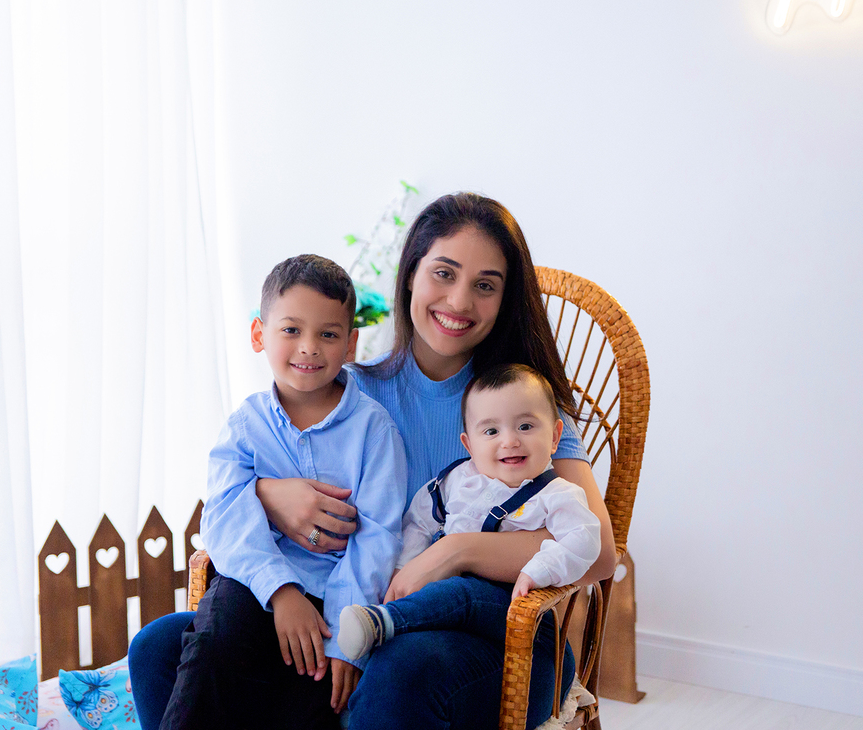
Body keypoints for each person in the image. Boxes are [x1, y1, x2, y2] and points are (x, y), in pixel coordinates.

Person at [128, 193, 617, 730]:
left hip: (504, 638)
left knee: (400, 670)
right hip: (364, 618)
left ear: (505, 299)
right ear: (410, 276)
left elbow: (597, 555)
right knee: (158, 648)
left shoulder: (523, 407)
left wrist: (454, 552)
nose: (458, 301)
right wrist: (268, 494)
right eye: (443, 273)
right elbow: (247, 471)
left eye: (485, 285)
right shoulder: (350, 396)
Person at [159, 255, 407, 730]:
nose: (309, 348)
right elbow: (224, 515)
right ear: (259, 334)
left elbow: (377, 538)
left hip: (334, 607)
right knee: (211, 649)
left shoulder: (374, 429)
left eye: (328, 334)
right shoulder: (246, 426)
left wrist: (344, 641)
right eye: (291, 330)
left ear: (351, 343)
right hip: (253, 587)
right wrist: (281, 591)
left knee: (312, 703)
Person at [336, 363, 600, 661]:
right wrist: (405, 567)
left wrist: (538, 570)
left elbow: (584, 539)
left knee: (460, 594)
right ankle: (392, 627)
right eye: (491, 431)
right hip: (447, 606)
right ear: (469, 444)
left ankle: (385, 621)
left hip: (507, 607)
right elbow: (420, 520)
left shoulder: (557, 494)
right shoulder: (457, 480)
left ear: (554, 437)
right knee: (440, 602)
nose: (510, 441)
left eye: (525, 426)